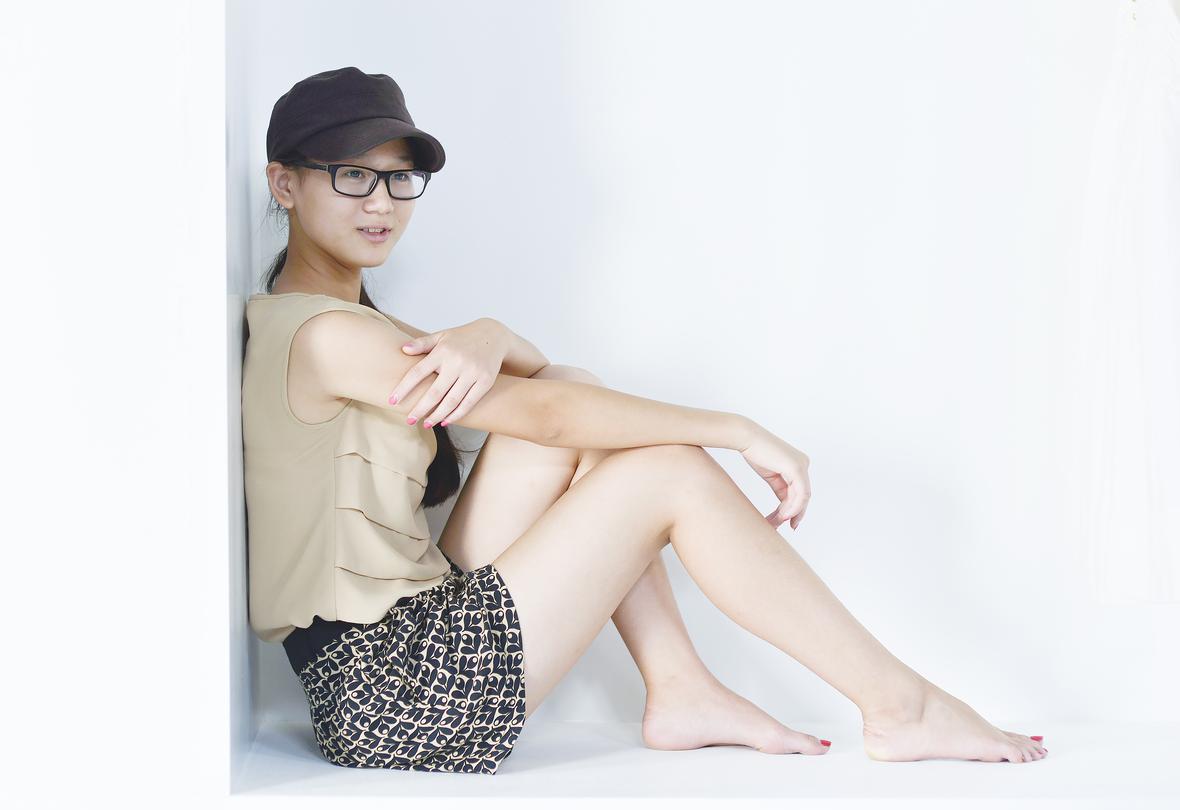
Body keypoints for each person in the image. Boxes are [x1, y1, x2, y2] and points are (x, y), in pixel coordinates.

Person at [242, 67, 1048, 774]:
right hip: (392, 696)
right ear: (284, 184)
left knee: (583, 395)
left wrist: (491, 333)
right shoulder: (323, 337)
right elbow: (549, 416)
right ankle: (900, 706)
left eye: (399, 180)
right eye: (352, 176)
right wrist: (734, 429)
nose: (381, 202)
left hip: (406, 650)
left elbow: (553, 388)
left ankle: (680, 687)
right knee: (668, 471)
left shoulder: (355, 327)